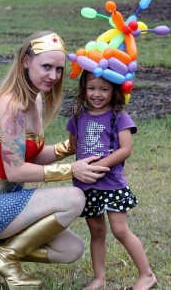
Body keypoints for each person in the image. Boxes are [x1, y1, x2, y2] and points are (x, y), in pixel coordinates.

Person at [0, 30, 110, 290]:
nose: (53, 76)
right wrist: (71, 170)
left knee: (71, 249)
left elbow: (33, 155)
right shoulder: (12, 105)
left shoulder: (33, 98)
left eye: (58, 69)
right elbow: (15, 171)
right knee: (74, 198)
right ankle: (5, 256)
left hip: (7, 203)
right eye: (46, 67)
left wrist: (72, 145)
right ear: (26, 61)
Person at [66, 70, 157, 290]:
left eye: (104, 89)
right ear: (83, 89)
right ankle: (99, 278)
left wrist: (99, 165)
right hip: (87, 185)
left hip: (111, 184)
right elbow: (74, 146)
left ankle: (147, 275)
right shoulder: (78, 116)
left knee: (120, 230)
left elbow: (126, 149)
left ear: (114, 90)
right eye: (92, 88)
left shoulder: (119, 116)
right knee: (96, 232)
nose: (97, 94)